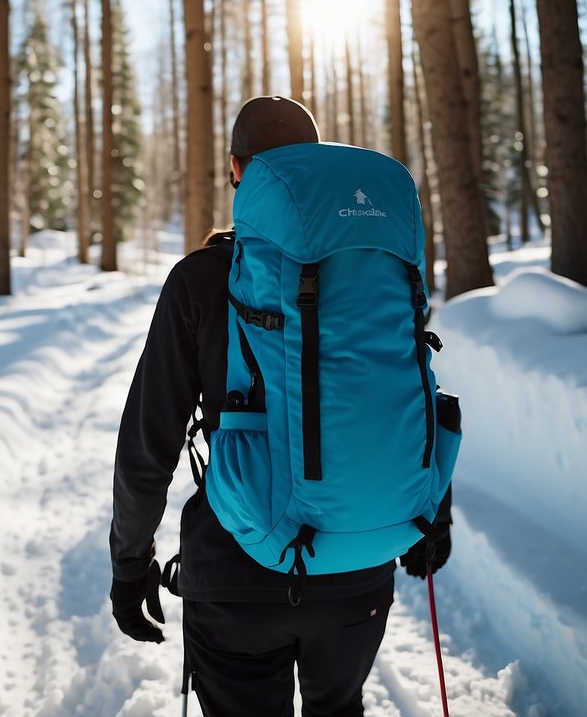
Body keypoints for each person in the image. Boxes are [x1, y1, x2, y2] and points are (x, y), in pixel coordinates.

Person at [109, 96, 452, 717]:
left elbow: (147, 442)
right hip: (357, 568)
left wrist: (131, 564)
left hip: (237, 563)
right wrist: (433, 516)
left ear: (238, 170)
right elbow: (410, 388)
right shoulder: (374, 270)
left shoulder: (201, 279)